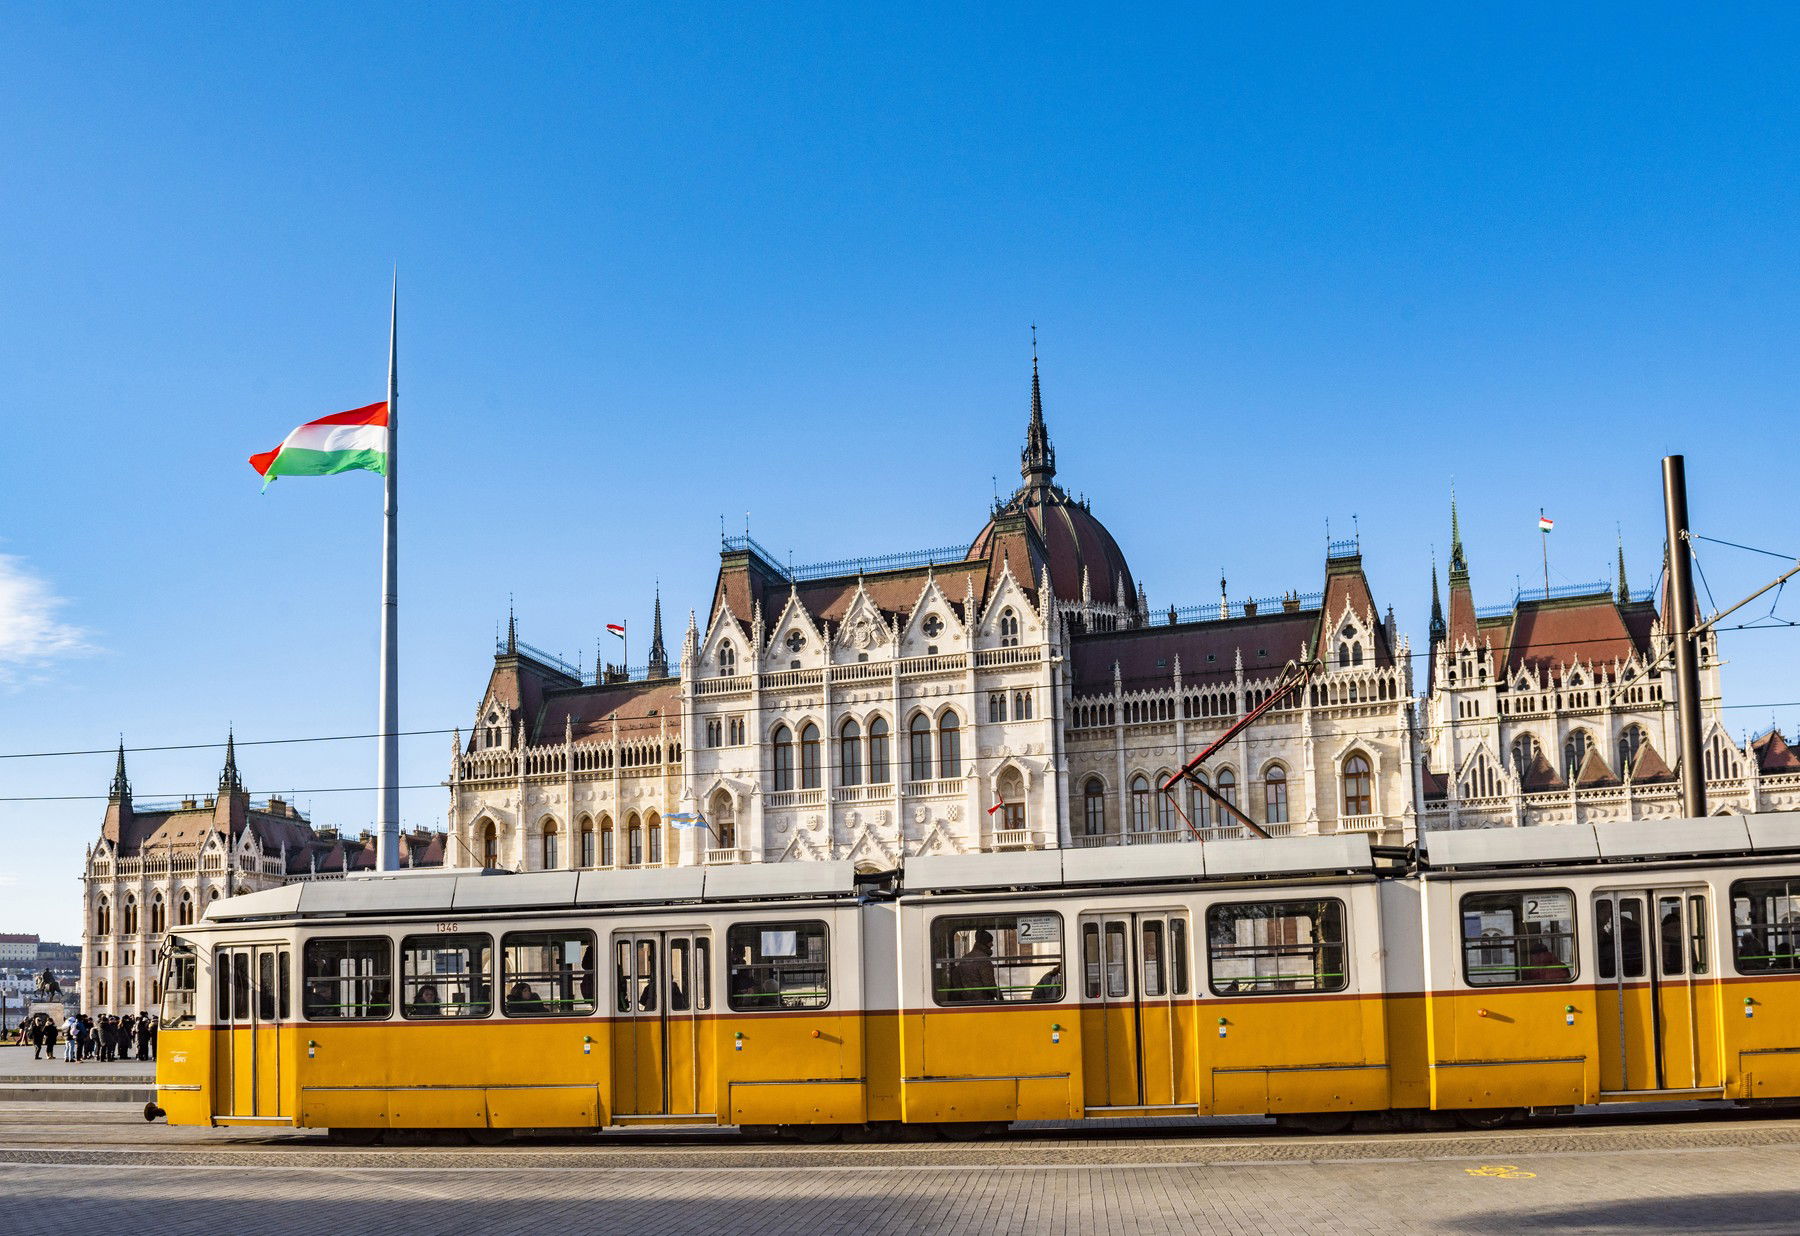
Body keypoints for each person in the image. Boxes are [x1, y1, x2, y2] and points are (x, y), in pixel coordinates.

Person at [950, 930, 999, 1003]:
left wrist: (963, 994)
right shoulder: (984, 960)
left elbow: (956, 978)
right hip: (983, 1001)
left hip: (966, 1000)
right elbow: (989, 984)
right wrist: (999, 996)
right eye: (990, 942)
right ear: (985, 943)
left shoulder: (965, 958)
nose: (992, 944)